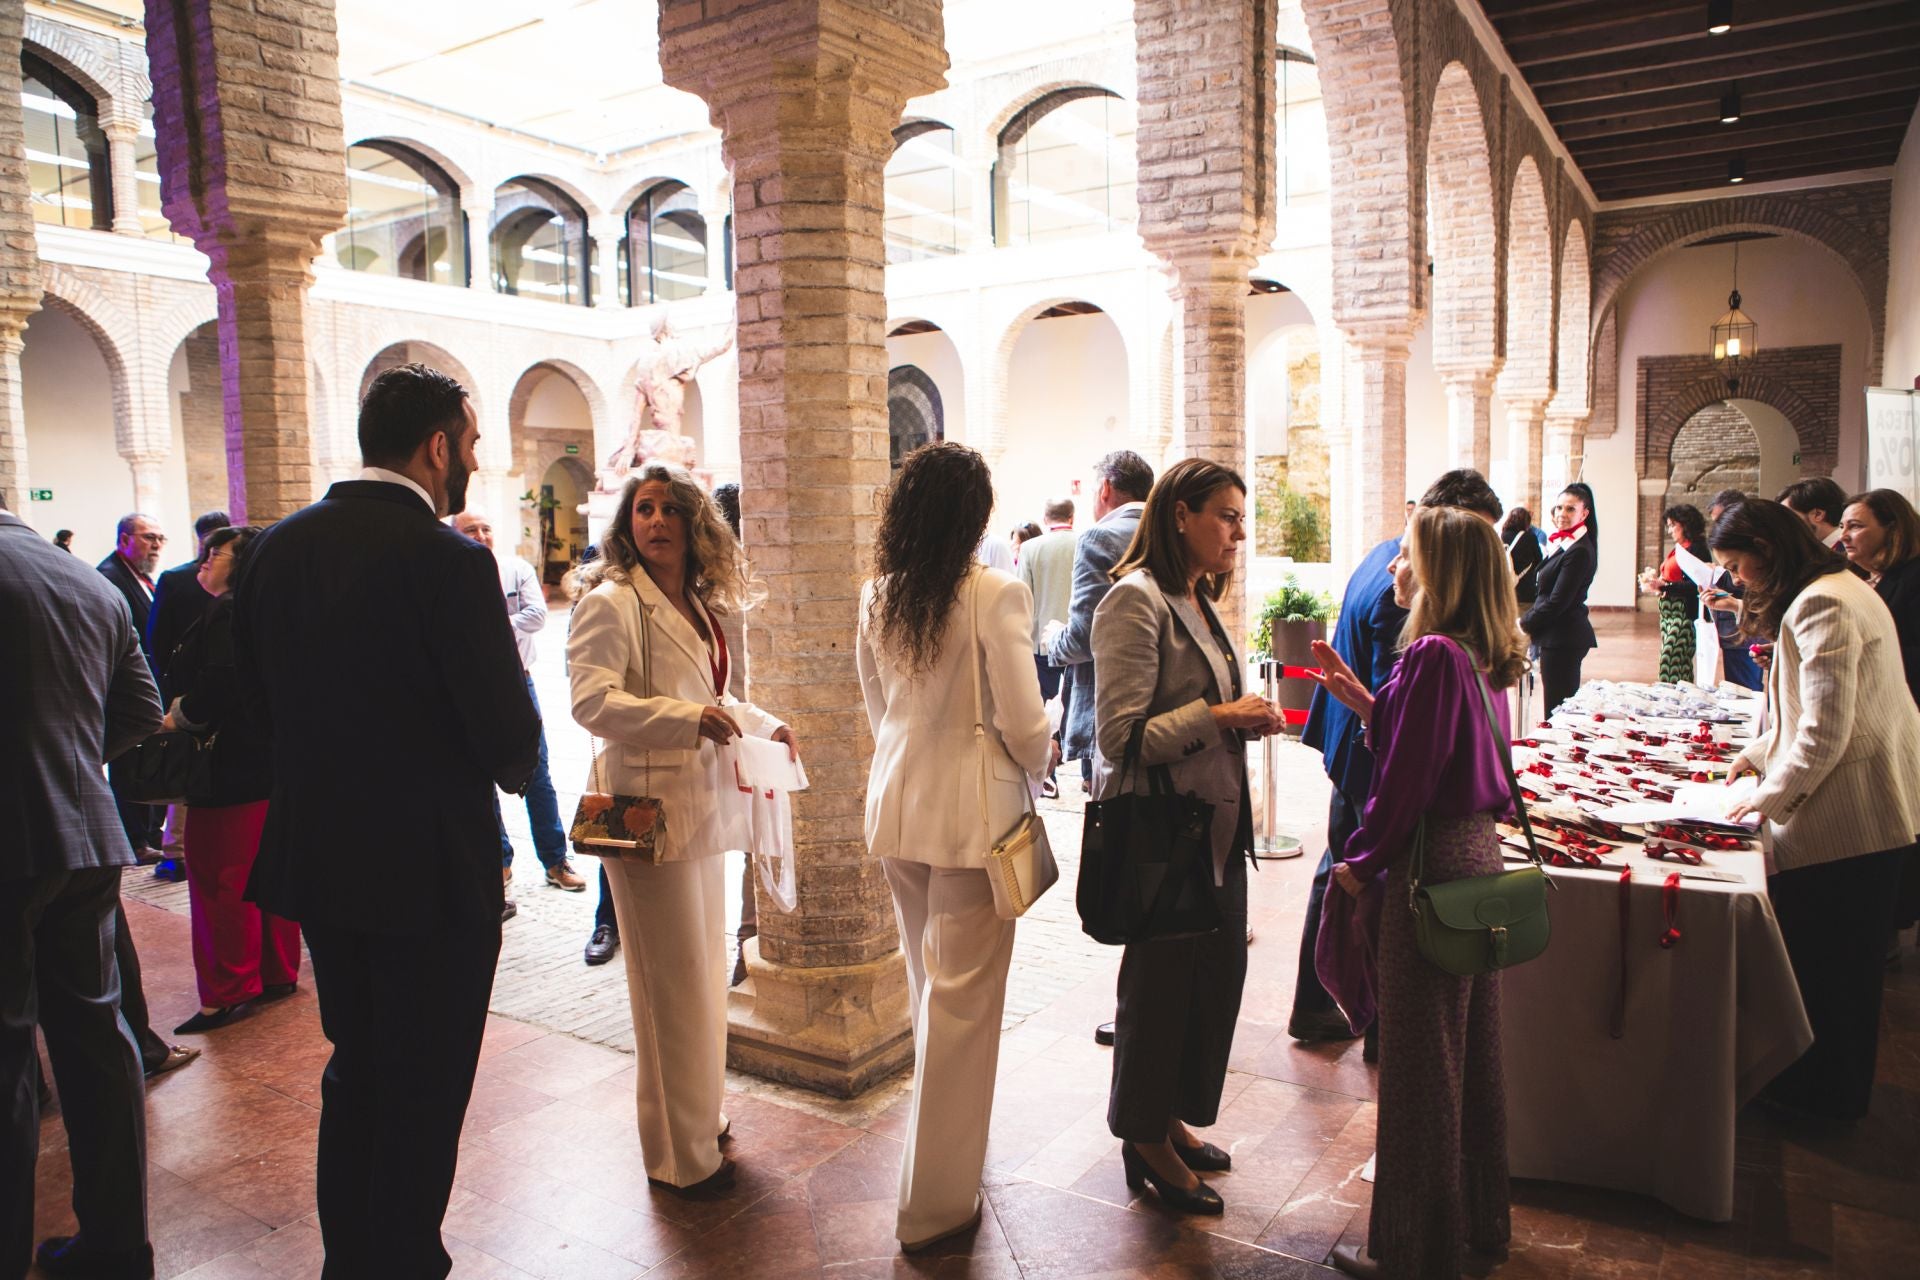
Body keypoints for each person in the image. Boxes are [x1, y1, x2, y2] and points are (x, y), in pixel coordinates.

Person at [235, 363, 541, 1278]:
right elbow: (506, 738)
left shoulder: (276, 549)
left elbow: (254, 714)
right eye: (473, 445)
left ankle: (351, 1260)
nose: (476, 464)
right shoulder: (447, 561)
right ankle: (404, 1260)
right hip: (430, 874)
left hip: (322, 863)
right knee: (426, 1082)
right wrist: (518, 758)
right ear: (437, 446)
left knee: (356, 1068)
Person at [1310, 504, 1528, 1279]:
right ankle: (1472, 1223)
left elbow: (1405, 784)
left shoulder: (1434, 653)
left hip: (1433, 861)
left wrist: (1360, 861)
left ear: (1440, 572)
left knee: (1417, 1062)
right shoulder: (1472, 653)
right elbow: (1432, 748)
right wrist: (1362, 702)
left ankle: (1415, 1247)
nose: (1394, 568)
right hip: (1473, 853)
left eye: (1406, 555)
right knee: (1467, 1049)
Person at [567, 463, 796, 1196]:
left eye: (669, 509)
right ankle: (676, 1156)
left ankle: (703, 1118)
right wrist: (685, 720)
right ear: (626, 523)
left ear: (695, 525)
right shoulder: (612, 601)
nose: (655, 521)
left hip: (701, 811)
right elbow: (591, 703)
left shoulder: (694, 602)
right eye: (643, 508)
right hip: (646, 817)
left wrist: (764, 724)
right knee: (666, 990)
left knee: (701, 978)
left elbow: (714, 695)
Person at [856, 443, 1053, 1251]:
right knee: (965, 1006)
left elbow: (879, 711)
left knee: (928, 989)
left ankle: (935, 1168)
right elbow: (1027, 726)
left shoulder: (878, 595)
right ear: (974, 516)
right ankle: (935, 1204)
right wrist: (1033, 763)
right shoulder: (995, 593)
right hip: (975, 824)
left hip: (900, 808)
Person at [1093, 458, 1288, 1216]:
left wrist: (1240, 716)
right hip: (1164, 838)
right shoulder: (1133, 602)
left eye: (1242, 518)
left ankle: (1167, 1119)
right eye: (1227, 515)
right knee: (1159, 991)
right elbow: (1118, 737)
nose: (1239, 532)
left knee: (1208, 987)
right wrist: (1221, 717)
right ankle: (1143, 1141)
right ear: (1181, 514)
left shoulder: (1195, 599)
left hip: (1214, 829)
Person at [1711, 499, 1920, 1121]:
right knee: (1833, 962)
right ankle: (1818, 1086)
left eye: (1738, 565)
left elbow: (1826, 729)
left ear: (1767, 550)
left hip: (1854, 811)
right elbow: (1802, 708)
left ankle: (1825, 1102)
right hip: (1858, 800)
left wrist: (1763, 803)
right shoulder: (1830, 587)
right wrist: (1755, 752)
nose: (1737, 580)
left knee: (1836, 969)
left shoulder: (1824, 601)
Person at [2, 496, 163, 1280]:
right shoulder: (87, 583)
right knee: (99, 1043)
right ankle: (117, 1245)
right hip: (85, 834)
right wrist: (62, 761)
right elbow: (140, 712)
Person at [1291, 470, 1505, 1048]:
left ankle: (1333, 1005)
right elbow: (1417, 741)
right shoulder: (1438, 634)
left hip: (1364, 745)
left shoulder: (1403, 573)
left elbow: (1415, 721)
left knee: (1340, 876)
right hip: (1373, 763)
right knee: (1356, 886)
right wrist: (1367, 860)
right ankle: (1362, 1012)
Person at [160, 526, 303, 1035]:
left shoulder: (226, 610)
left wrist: (179, 716)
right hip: (264, 764)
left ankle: (227, 991)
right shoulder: (268, 607)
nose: (203, 560)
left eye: (214, 553)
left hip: (227, 767)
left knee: (220, 878)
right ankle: (276, 971)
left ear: (238, 563)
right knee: (261, 870)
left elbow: (219, 684)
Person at [452, 511, 586, 907]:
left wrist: (484, 626)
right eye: (470, 529)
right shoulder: (450, 573)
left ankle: (555, 859)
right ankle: (499, 861)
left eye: (486, 527)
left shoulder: (515, 569)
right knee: (480, 774)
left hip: (517, 679)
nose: (480, 535)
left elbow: (537, 615)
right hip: (468, 685)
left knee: (537, 770)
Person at [1838, 488, 1920, 943]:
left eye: (1856, 525)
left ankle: (1889, 925)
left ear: (1892, 528)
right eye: (1845, 524)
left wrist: (1855, 654)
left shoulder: (1912, 578)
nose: (1844, 535)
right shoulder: (1872, 577)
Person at [1046, 451, 1153, 786]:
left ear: (1105, 488)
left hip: (1111, 709)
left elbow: (1085, 637)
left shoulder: (1099, 538)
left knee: (1113, 822)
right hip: (1161, 704)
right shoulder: (1169, 534)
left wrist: (1054, 641)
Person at [146, 509, 233, 879]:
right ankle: (175, 850)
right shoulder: (178, 579)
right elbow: (159, 639)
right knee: (185, 777)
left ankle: (176, 850)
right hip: (188, 697)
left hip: (211, 704)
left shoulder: (233, 602)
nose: (209, 559)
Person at [98, 513, 171, 871]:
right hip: (124, 691)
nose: (155, 544)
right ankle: (136, 839)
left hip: (148, 686)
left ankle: (149, 834)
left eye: (160, 538)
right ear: (123, 539)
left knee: (147, 762)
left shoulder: (142, 578)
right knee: (130, 764)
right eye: (147, 537)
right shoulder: (111, 577)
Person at [1521, 482, 1598, 715]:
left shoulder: (1579, 550)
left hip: (1564, 637)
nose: (1562, 514)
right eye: (1558, 508)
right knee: (1556, 706)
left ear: (1584, 513)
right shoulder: (1568, 544)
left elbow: (1557, 601)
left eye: (1570, 509)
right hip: (1557, 635)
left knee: (1557, 710)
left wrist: (1522, 624)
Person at [1017, 497, 1076, 797]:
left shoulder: (1030, 549)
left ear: (1046, 516)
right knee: (1076, 701)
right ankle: (1080, 764)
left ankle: (1049, 770)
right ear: (1072, 516)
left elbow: (1023, 596)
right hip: (1078, 640)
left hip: (1041, 644)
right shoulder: (1083, 542)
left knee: (1047, 707)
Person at [1642, 504, 1706, 683]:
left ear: (1685, 524)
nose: (1669, 530)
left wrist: (1665, 586)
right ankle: (1680, 697)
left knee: (1671, 656)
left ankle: (1668, 695)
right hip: (1669, 611)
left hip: (1684, 612)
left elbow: (1697, 585)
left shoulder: (1697, 549)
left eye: (1672, 525)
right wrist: (1659, 584)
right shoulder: (1680, 547)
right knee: (1679, 661)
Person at [1776, 477, 1849, 551]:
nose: (1782, 523)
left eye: (1788, 515)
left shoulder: (1849, 550)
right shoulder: (1813, 550)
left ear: (1818, 514)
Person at [1502, 506, 1542, 605]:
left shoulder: (1501, 535)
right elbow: (1539, 560)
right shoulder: (1530, 537)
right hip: (1525, 588)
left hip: (1504, 589)